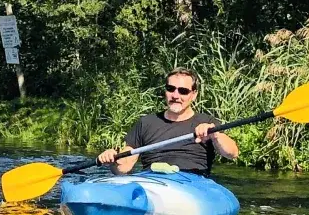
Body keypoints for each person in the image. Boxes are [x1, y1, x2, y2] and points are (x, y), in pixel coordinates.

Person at [97, 68, 240, 175]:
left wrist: (215, 135)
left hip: (192, 183)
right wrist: (113, 160)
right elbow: (123, 168)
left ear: (193, 94)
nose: (175, 95)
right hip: (152, 180)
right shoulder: (146, 123)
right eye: (171, 89)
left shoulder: (208, 122)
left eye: (183, 91)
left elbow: (232, 153)